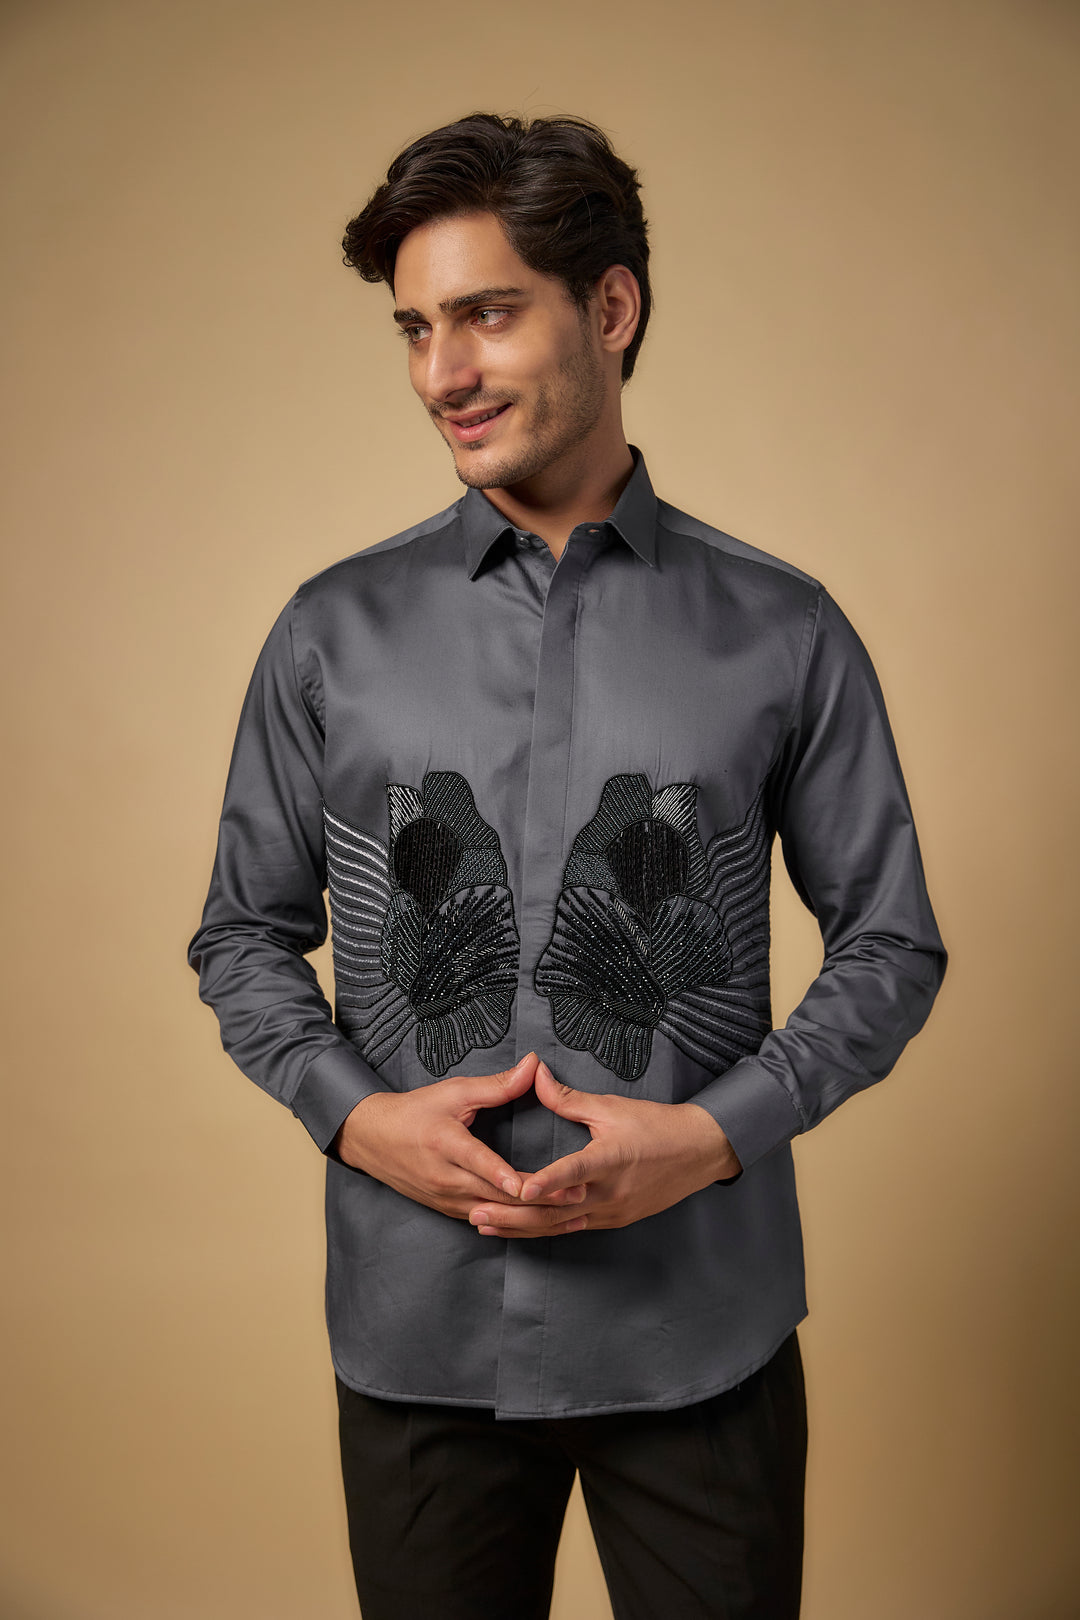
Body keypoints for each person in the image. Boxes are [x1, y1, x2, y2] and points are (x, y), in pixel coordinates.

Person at [187, 112, 946, 1620]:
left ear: (611, 306)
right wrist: (358, 1122)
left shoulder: (784, 631)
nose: (441, 373)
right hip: (416, 1338)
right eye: (416, 328)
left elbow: (890, 945)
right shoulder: (330, 633)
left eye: (485, 314)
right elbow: (240, 937)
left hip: (701, 1334)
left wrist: (713, 1138)